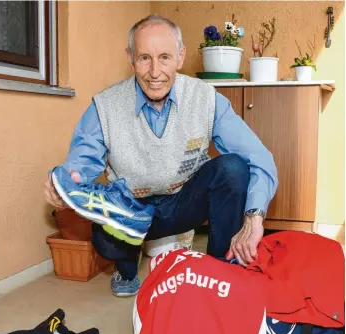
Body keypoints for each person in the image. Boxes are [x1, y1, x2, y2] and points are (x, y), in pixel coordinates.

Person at [44, 15, 278, 297]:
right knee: (103, 236)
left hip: (184, 202)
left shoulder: (206, 98)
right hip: (132, 209)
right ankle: (127, 269)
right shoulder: (104, 106)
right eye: (145, 58)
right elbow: (79, 164)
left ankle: (220, 271)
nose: (155, 71)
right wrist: (64, 185)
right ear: (131, 58)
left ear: (180, 57)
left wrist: (254, 218)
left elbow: (258, 157)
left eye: (164, 57)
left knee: (233, 168)